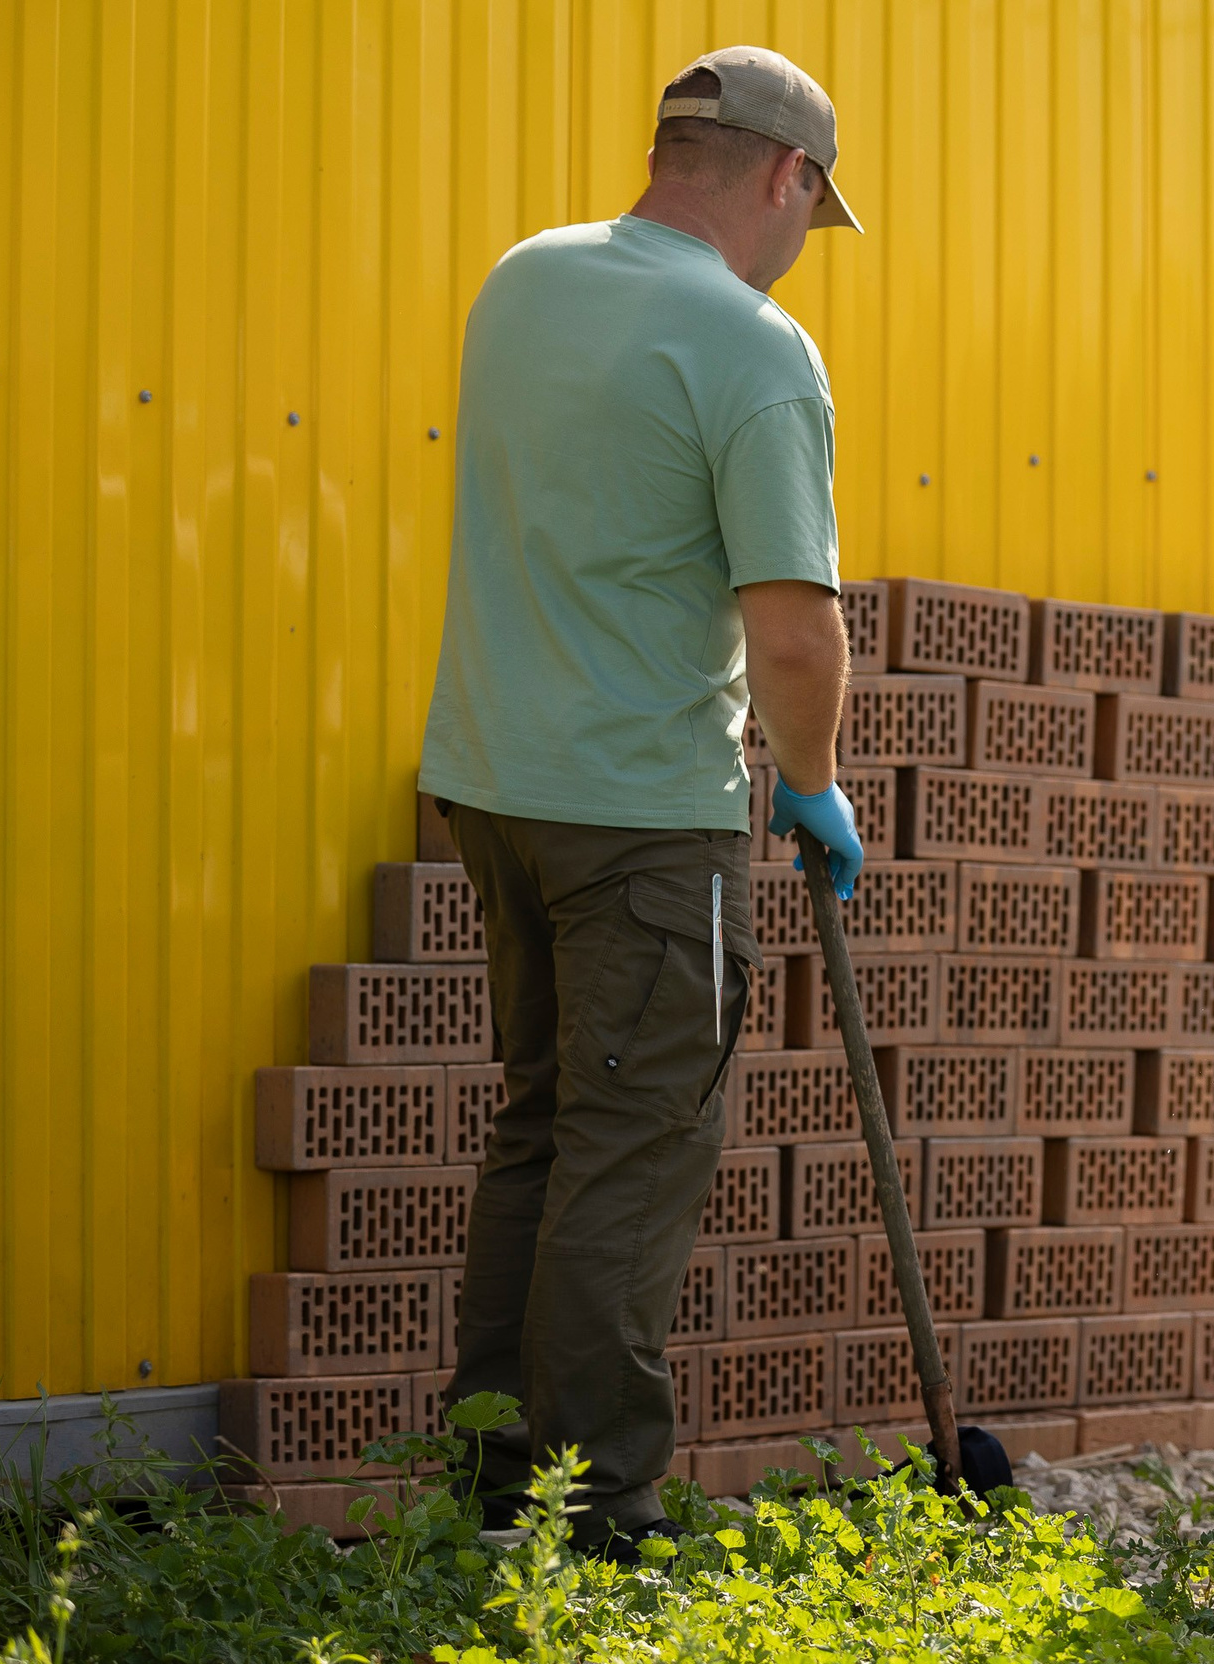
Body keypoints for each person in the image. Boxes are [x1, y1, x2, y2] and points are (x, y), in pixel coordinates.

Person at [416, 45, 868, 1560]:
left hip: (492, 782)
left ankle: (491, 1484)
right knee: (631, 1146)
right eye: (815, 204)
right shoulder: (750, 342)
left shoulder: (523, 281)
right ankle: (594, 1514)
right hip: (641, 816)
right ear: (784, 175)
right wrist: (810, 785)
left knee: (539, 1125)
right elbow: (794, 628)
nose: (806, 235)